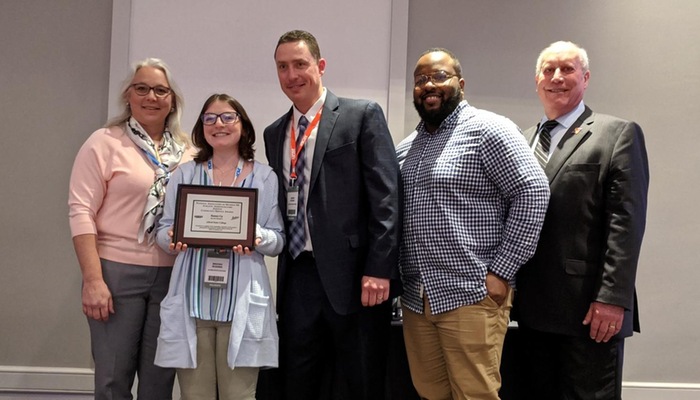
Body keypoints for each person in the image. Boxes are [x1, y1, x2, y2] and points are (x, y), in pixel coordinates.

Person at [395, 48, 550, 400]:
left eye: (439, 76)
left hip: (471, 293)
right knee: (430, 392)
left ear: (460, 84)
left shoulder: (489, 129)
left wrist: (502, 270)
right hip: (417, 300)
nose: (429, 85)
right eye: (420, 80)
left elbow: (533, 191)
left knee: (474, 395)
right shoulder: (407, 148)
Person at [263, 30, 401, 399]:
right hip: (298, 277)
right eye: (282, 67)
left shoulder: (361, 115)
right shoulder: (275, 132)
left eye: (300, 64)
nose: (291, 75)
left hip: (356, 276)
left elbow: (386, 198)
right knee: (300, 379)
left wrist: (379, 268)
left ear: (320, 66)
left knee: (360, 379)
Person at [513, 41, 649, 400]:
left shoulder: (616, 134)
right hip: (527, 311)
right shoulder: (520, 141)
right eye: (548, 70)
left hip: (588, 312)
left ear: (585, 78)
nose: (556, 77)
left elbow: (626, 222)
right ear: (537, 80)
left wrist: (613, 298)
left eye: (567, 69)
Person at [68, 58, 191, 399]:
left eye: (161, 90)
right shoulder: (104, 142)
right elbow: (80, 213)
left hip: (171, 279)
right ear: (128, 96)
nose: (151, 96)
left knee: (159, 383)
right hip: (115, 275)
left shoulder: (189, 154)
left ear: (172, 100)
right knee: (112, 381)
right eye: (142, 88)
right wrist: (93, 281)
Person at [154, 93, 284, 400]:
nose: (218, 124)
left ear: (243, 125)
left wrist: (255, 236)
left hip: (239, 304)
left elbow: (277, 240)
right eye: (209, 118)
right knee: (194, 397)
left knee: (238, 396)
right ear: (202, 127)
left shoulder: (264, 177)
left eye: (228, 117)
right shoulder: (185, 174)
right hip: (192, 303)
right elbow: (163, 231)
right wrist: (172, 237)